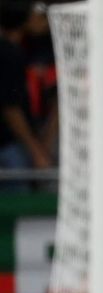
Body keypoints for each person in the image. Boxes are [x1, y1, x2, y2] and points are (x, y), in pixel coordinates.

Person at [0, 0, 52, 191]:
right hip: (9, 146)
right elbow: (10, 109)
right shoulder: (9, 54)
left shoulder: (21, 50)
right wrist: (35, 149)